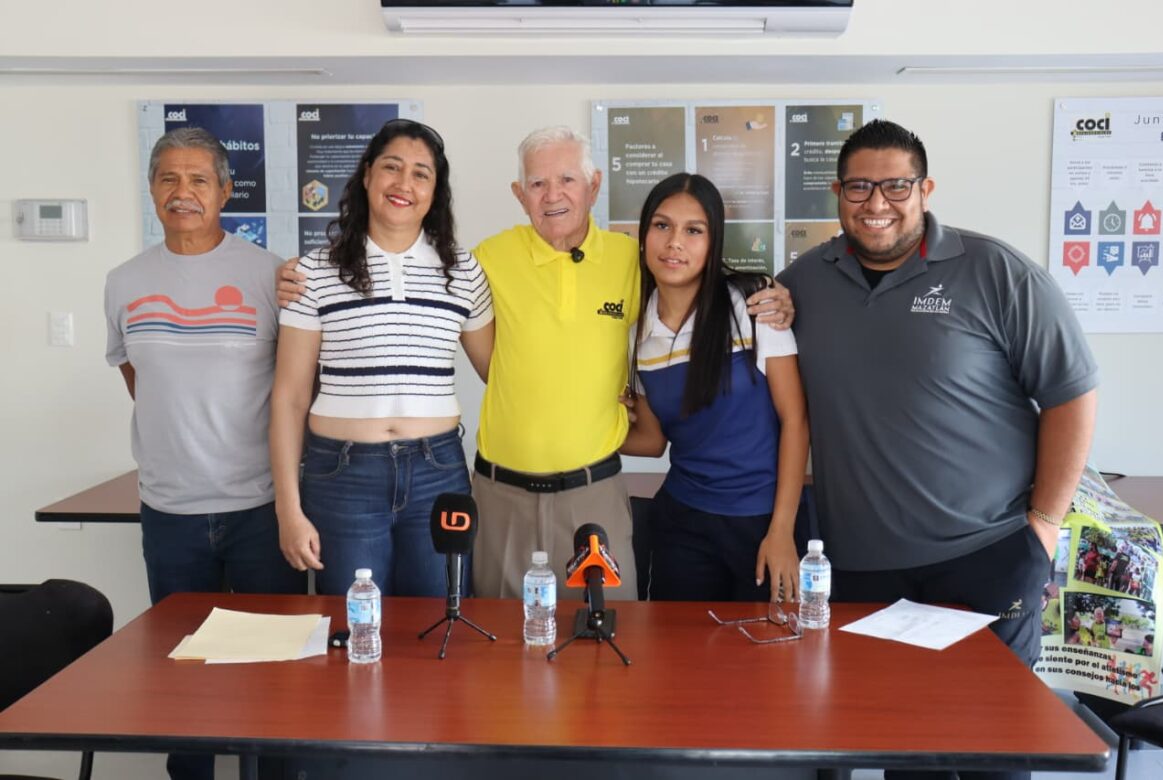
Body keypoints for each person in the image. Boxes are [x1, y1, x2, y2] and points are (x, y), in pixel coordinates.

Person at [279, 126, 794, 600]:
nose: (553, 195)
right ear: (519, 194)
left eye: (567, 179)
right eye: (538, 183)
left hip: (595, 490)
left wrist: (773, 295)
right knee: (495, 645)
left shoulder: (632, 262)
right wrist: (288, 276)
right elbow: (493, 367)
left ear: (593, 186)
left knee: (606, 639)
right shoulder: (480, 263)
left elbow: (691, 284)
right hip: (500, 492)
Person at [777, 120, 1097, 780]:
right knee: (907, 748)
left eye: (896, 186)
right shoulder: (803, 283)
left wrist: (1043, 525)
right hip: (865, 568)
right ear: (837, 193)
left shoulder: (996, 271)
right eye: (859, 187)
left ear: (925, 190)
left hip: (986, 556)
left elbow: (1071, 395)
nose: (877, 203)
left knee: (994, 750)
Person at [104, 127, 307, 780]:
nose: (182, 192)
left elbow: (295, 387)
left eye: (197, 179)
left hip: (261, 508)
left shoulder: (270, 275)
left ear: (225, 190)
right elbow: (137, 376)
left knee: (274, 669)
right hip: (170, 512)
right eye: (168, 178)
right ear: (151, 190)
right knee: (182, 669)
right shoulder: (124, 281)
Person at [271, 119, 493, 597]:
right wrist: (287, 509)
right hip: (342, 477)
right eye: (392, 167)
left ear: (435, 191)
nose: (404, 183)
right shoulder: (314, 271)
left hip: (438, 473)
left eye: (421, 173)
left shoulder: (464, 271)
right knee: (355, 627)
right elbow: (289, 397)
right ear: (367, 175)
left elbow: (500, 374)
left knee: (439, 623)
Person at [621, 173, 808, 603]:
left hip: (762, 521)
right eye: (662, 225)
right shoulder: (637, 335)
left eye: (694, 230)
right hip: (682, 524)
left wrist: (781, 531)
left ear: (714, 241)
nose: (674, 243)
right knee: (679, 645)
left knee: (768, 645)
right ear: (644, 235)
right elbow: (652, 441)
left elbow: (795, 420)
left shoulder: (753, 304)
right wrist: (587, 430)